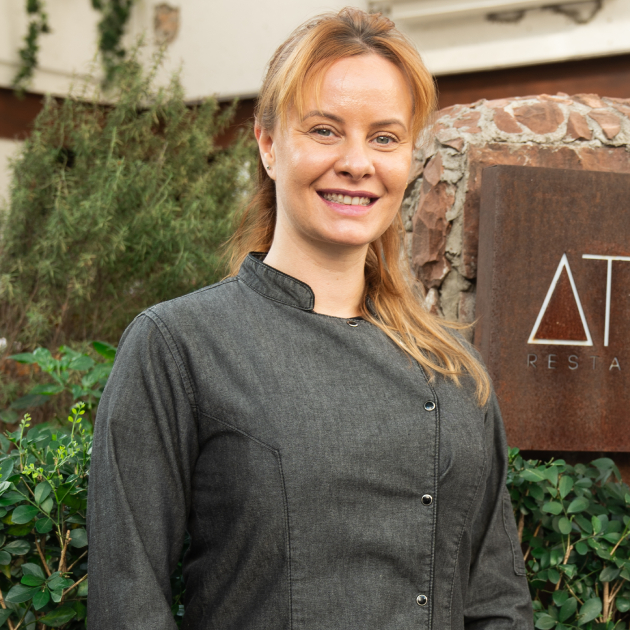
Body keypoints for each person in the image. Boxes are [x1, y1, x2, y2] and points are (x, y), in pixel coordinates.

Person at [88, 9, 533, 629]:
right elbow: (127, 604)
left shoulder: (456, 370)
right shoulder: (179, 347)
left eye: (385, 137)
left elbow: (496, 602)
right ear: (269, 145)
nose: (357, 162)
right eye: (325, 130)